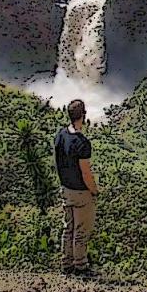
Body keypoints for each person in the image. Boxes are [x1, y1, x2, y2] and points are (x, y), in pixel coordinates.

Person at [54, 99, 99, 275]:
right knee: (81, 231)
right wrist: (94, 190)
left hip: (66, 189)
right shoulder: (82, 143)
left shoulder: (60, 135)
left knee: (68, 228)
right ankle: (80, 265)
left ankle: (66, 264)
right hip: (81, 192)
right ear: (83, 116)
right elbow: (86, 173)